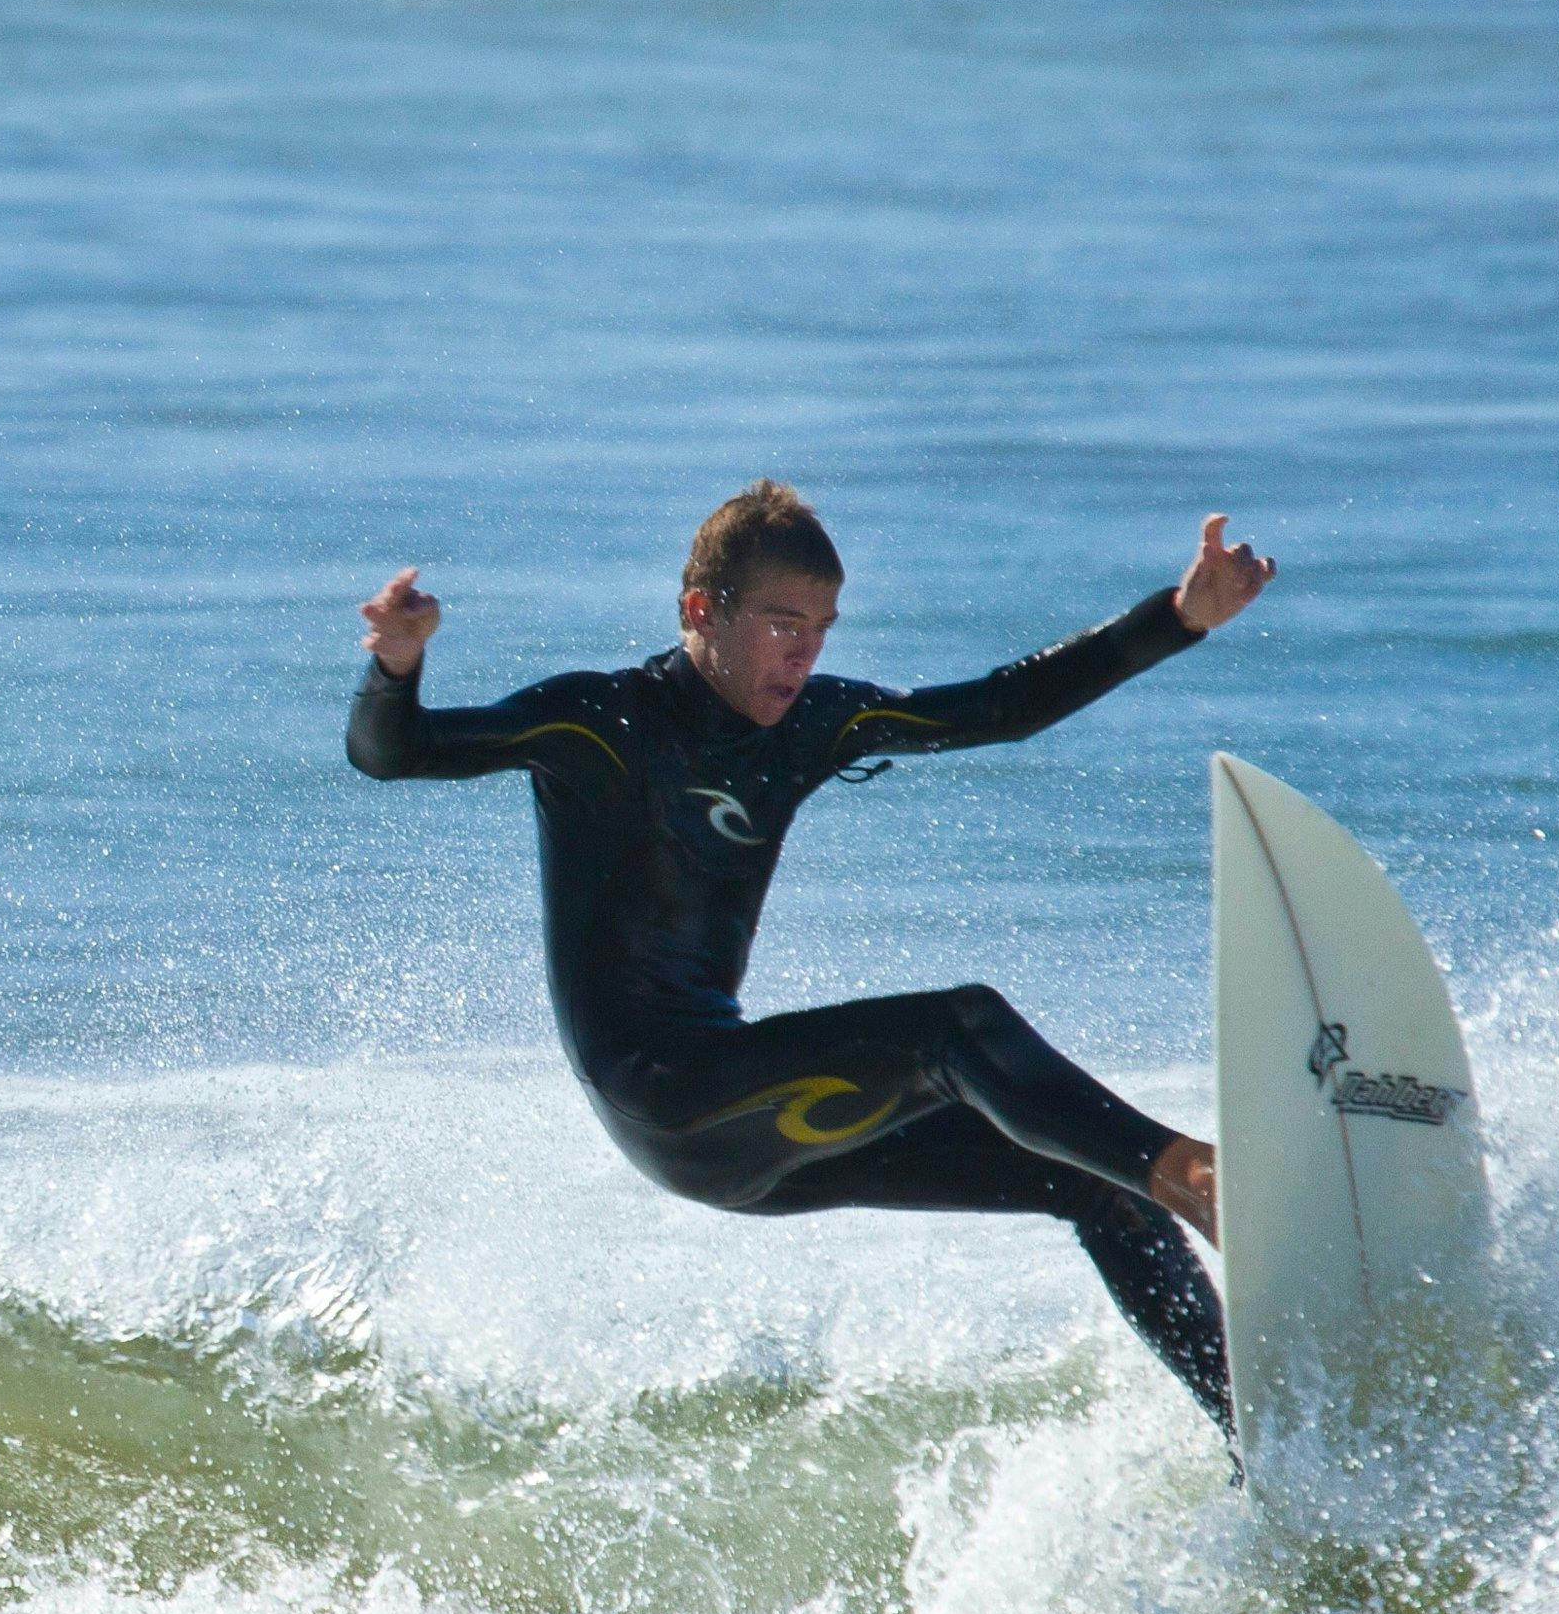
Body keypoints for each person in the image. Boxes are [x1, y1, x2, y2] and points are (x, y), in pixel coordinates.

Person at [349, 483, 1270, 1421]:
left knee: (1098, 1184)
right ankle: (1197, 1176)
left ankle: (1254, 1431)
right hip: (668, 1097)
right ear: (701, 612)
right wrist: (394, 667)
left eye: (823, 627)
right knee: (957, 1028)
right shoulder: (596, 725)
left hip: (760, 1128)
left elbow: (1002, 707)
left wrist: (1179, 617)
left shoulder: (811, 725)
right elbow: (394, 753)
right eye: (783, 623)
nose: (805, 652)